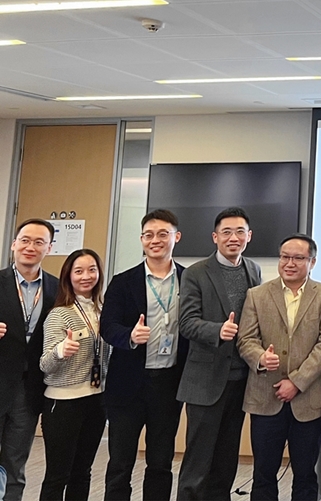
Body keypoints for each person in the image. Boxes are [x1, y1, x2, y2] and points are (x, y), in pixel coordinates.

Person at [238, 234, 321, 501]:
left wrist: (296, 382)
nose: (289, 263)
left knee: (305, 475)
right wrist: (260, 357)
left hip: (307, 400)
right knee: (263, 473)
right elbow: (245, 339)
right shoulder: (257, 295)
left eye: (298, 258)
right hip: (265, 397)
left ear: (312, 262)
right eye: (285, 257)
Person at [176, 207, 262, 501]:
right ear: (215, 237)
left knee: (226, 460)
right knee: (198, 461)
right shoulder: (195, 273)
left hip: (240, 381)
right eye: (226, 232)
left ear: (249, 236)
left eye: (240, 232)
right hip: (205, 380)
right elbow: (186, 322)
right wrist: (217, 330)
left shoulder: (254, 270)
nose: (233, 238)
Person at [101, 209, 187, 501]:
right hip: (127, 385)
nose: (155, 240)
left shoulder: (189, 280)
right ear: (141, 240)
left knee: (161, 462)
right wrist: (129, 336)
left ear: (176, 237)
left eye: (163, 234)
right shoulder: (123, 281)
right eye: (148, 235)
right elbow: (107, 326)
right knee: (120, 462)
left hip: (169, 384)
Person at [38, 249, 111, 501]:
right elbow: (45, 364)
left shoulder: (103, 311)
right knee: (58, 475)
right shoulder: (59, 314)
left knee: (83, 472)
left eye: (92, 270)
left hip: (96, 400)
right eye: (78, 271)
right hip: (63, 403)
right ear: (68, 276)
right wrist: (60, 351)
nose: (86, 276)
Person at [0, 219, 58, 501]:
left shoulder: (57, 288)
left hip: (30, 388)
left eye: (38, 242)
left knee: (16, 461)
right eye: (25, 240)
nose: (30, 247)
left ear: (49, 248)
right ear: (14, 244)